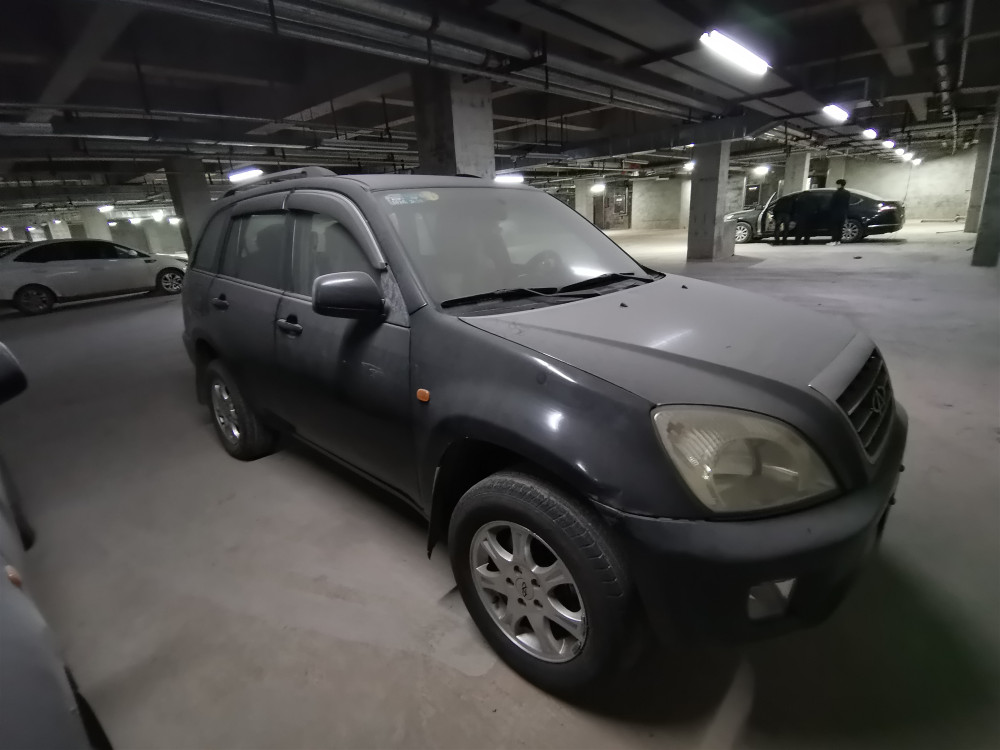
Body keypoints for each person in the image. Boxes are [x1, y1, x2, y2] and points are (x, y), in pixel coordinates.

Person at [827, 178, 851, 245]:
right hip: (843, 212)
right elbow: (847, 204)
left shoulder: (836, 193)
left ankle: (833, 241)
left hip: (835, 212)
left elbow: (832, 203)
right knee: (840, 227)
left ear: (840, 185)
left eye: (837, 184)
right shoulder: (847, 193)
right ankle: (838, 241)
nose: (836, 186)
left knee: (835, 227)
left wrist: (830, 210)